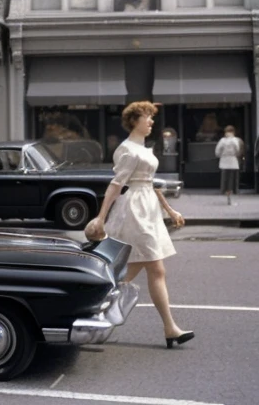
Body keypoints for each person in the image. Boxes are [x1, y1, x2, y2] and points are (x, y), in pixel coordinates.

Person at [84, 101, 193, 349]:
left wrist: (170, 210)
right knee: (154, 269)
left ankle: (92, 315)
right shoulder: (127, 150)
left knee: (126, 274)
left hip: (148, 210)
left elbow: (150, 185)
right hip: (135, 212)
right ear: (134, 121)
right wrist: (101, 217)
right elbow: (116, 184)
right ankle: (169, 328)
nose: (152, 122)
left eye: (152, 118)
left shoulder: (144, 149)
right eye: (148, 117)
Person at [215, 125, 242, 205]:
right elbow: (238, 150)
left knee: (225, 179)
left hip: (224, 161)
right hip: (233, 161)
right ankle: (232, 192)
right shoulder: (236, 140)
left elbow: (217, 151)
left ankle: (225, 191)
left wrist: (220, 156)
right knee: (233, 179)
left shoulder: (222, 141)